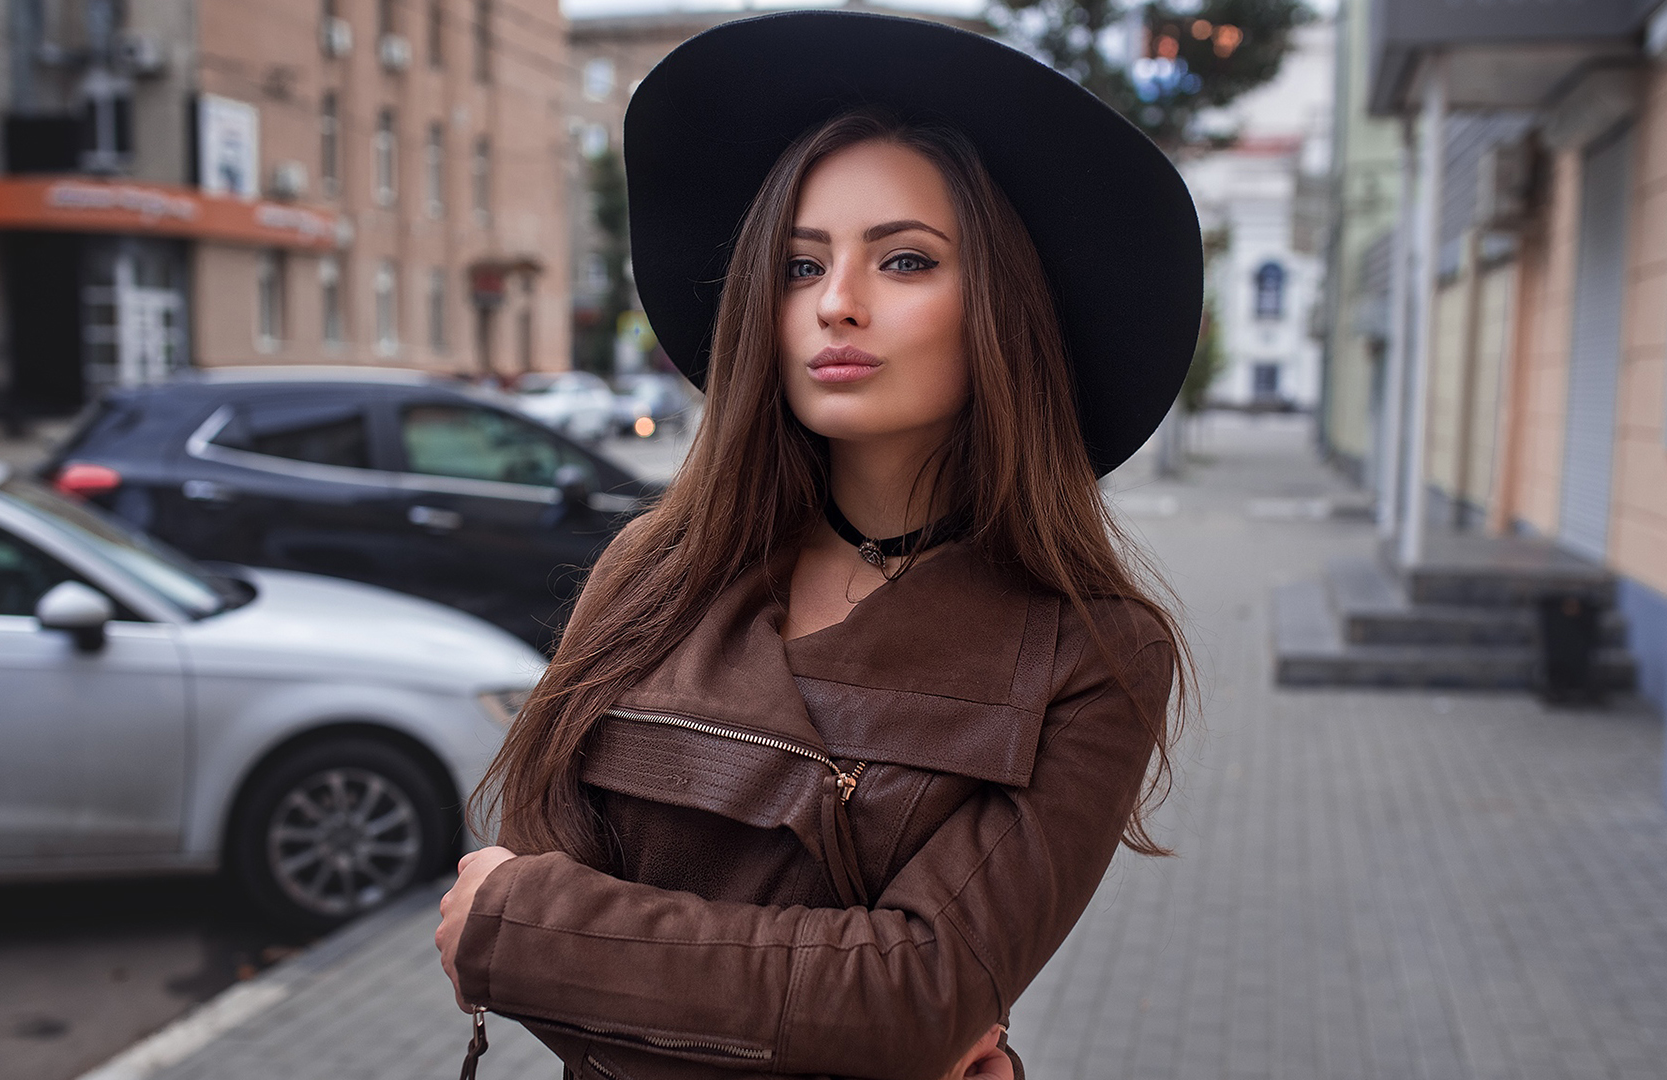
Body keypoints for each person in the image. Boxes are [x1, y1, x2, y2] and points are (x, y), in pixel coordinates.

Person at [437, 12, 1203, 1079]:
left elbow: (915, 998)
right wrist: (846, 1017)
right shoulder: (654, 572)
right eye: (799, 266)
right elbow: (527, 893)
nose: (837, 304)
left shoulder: (1089, 655)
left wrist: (534, 937)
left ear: (1001, 305)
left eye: (905, 260)